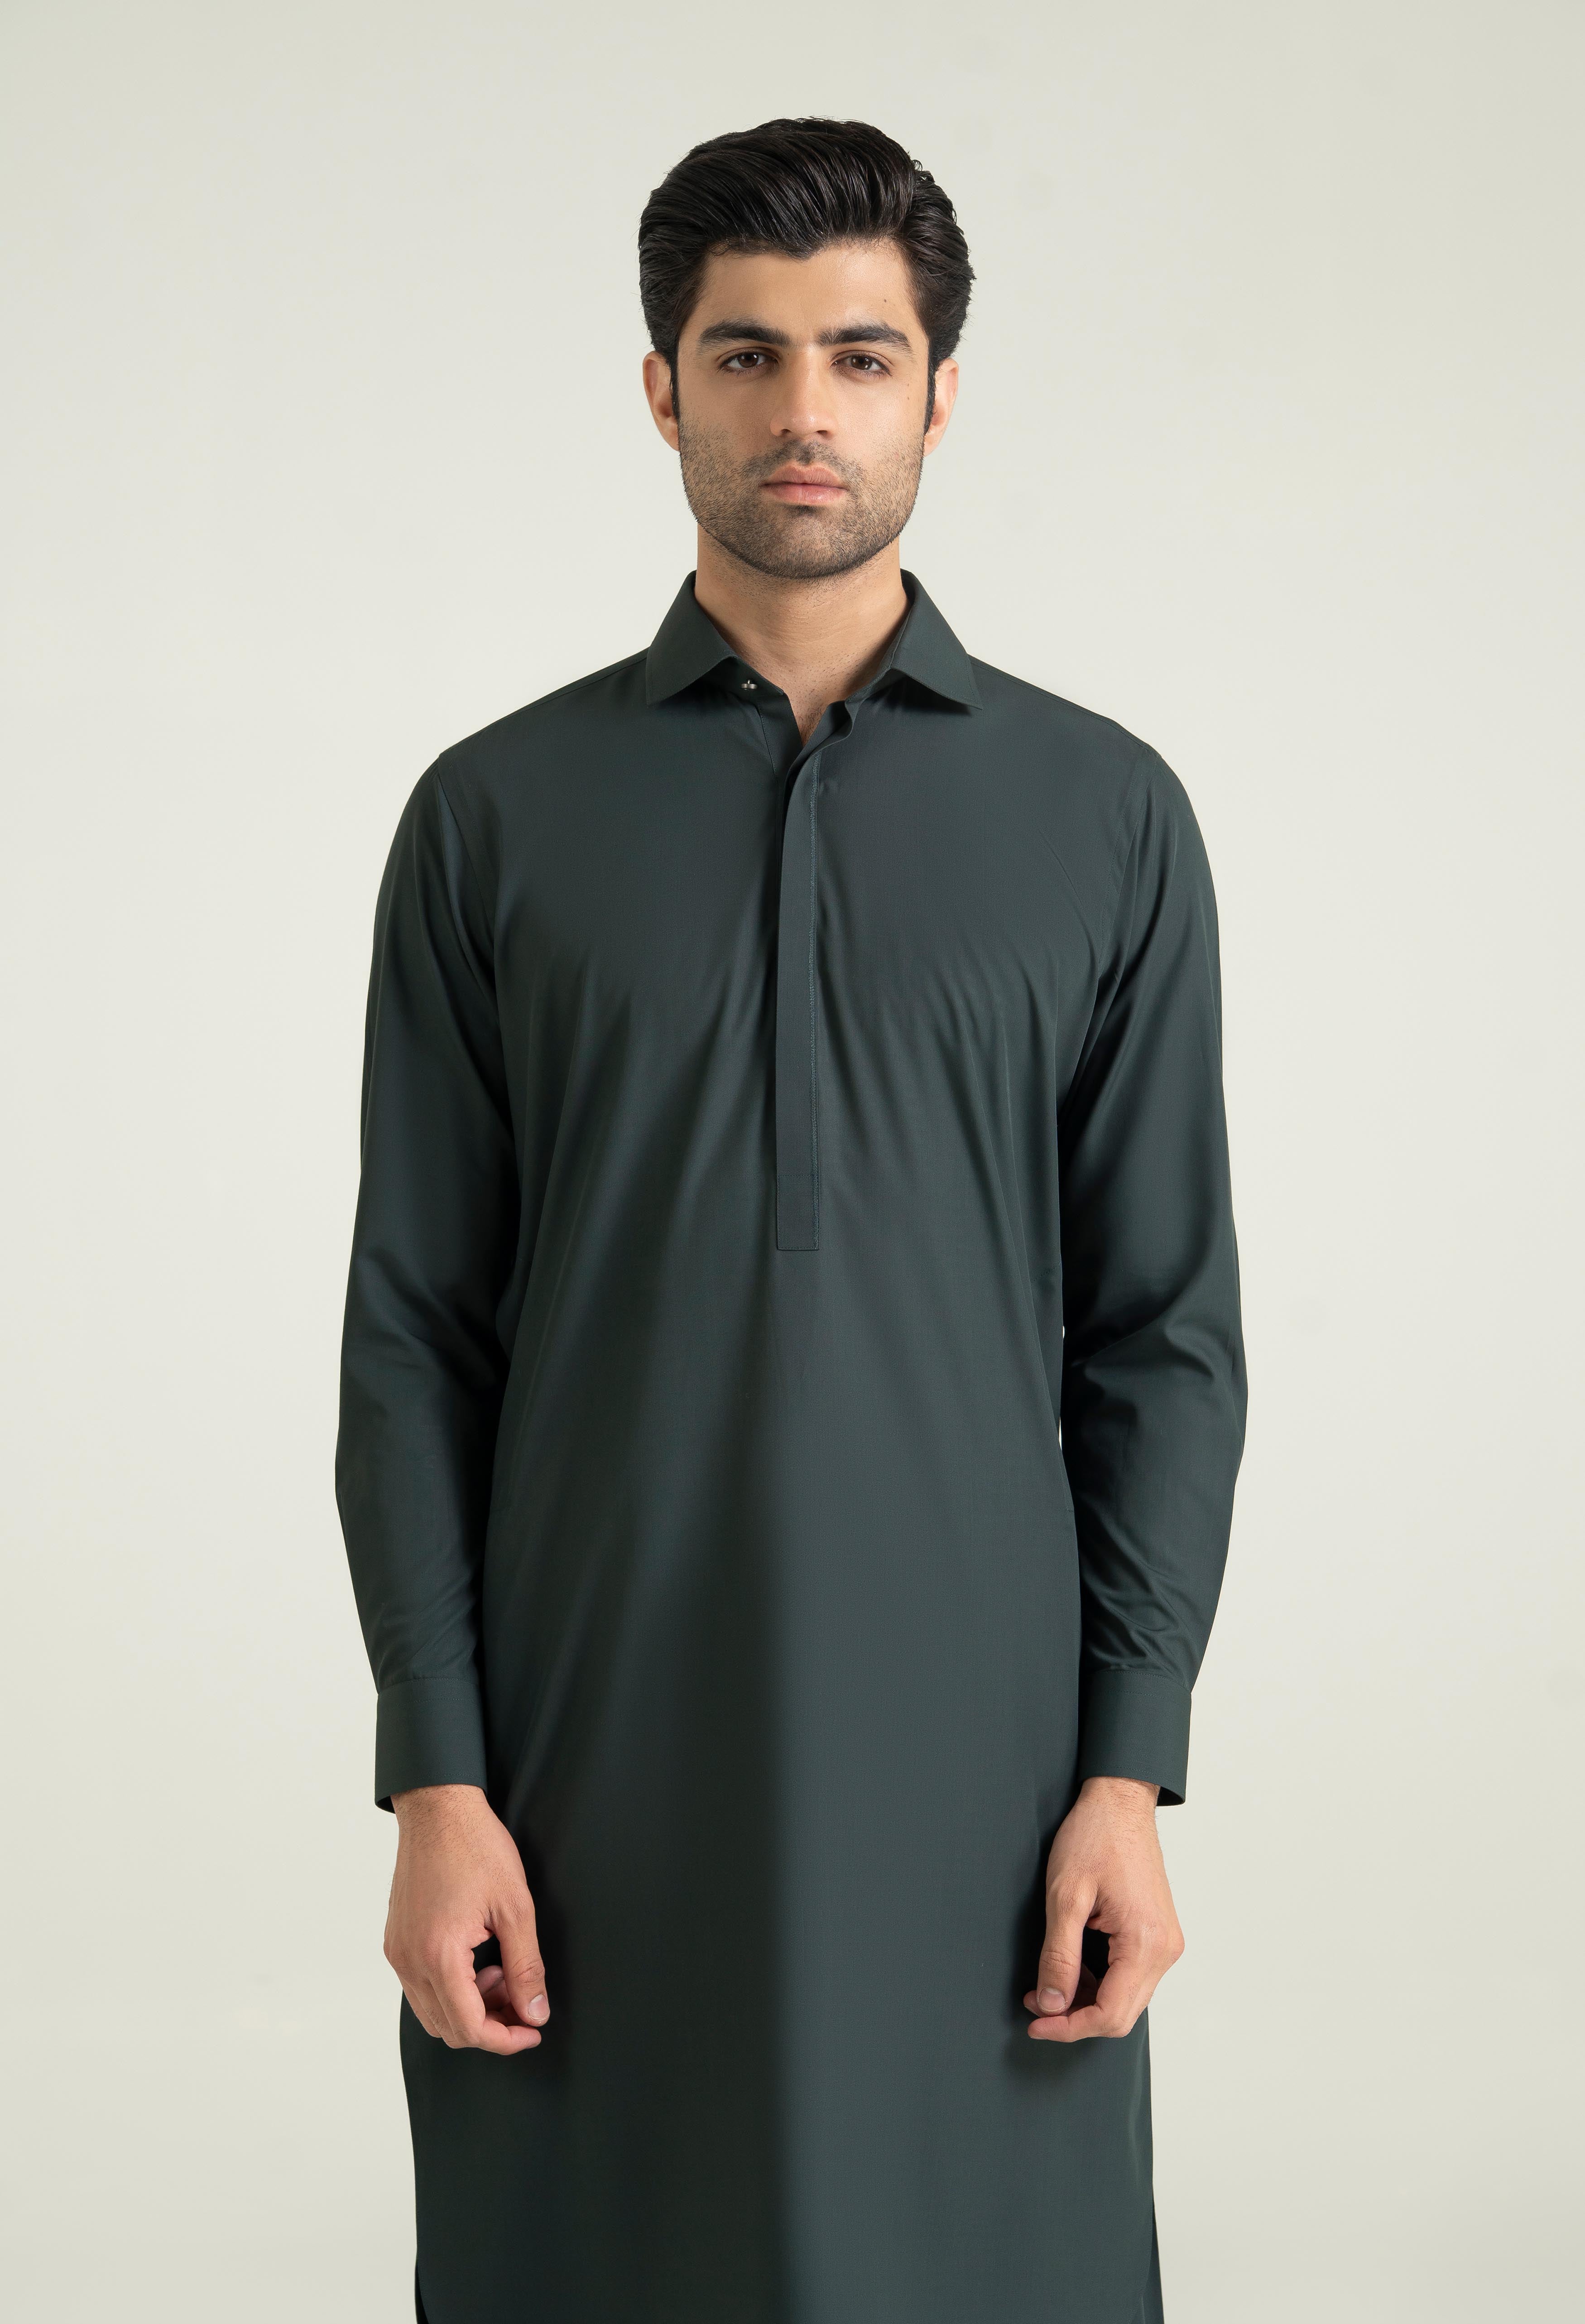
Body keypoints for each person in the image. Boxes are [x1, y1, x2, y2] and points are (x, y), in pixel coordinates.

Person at [336, 115, 1246, 2324]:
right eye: (744, 356)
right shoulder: (495, 815)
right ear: (662, 390)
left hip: (983, 1779)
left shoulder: (1102, 815)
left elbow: (1159, 1329)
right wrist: (435, 1773)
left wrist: (1126, 1766)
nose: (802, 410)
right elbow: (415, 1329)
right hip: (587, 1765)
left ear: (942, 392)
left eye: (859, 354)